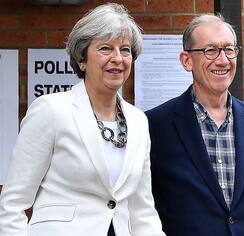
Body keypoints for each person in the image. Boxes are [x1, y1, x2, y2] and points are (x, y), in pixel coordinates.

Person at [0, 3, 165, 236]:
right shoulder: (51, 110)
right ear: (82, 59)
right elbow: (13, 203)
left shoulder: (138, 120)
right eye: (106, 49)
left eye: (125, 50)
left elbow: (143, 209)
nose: (117, 58)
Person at [145, 14, 244, 236]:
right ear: (187, 61)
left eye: (229, 50)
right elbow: (142, 209)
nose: (222, 60)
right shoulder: (156, 125)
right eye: (210, 50)